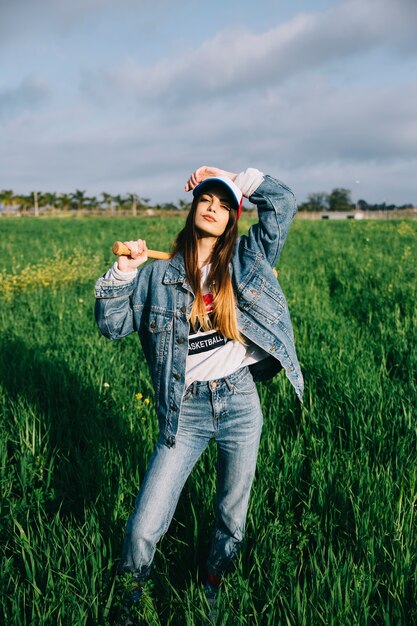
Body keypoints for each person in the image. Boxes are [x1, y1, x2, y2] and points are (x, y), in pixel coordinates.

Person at [94, 165, 303, 621]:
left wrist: (237, 177)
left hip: (240, 402)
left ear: (233, 220)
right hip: (184, 412)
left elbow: (283, 203)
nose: (214, 207)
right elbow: (110, 326)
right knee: (144, 526)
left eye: (226, 204)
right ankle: (130, 601)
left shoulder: (248, 259)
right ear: (193, 209)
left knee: (232, 513)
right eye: (207, 199)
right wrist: (123, 273)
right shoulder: (157, 274)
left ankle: (212, 585)